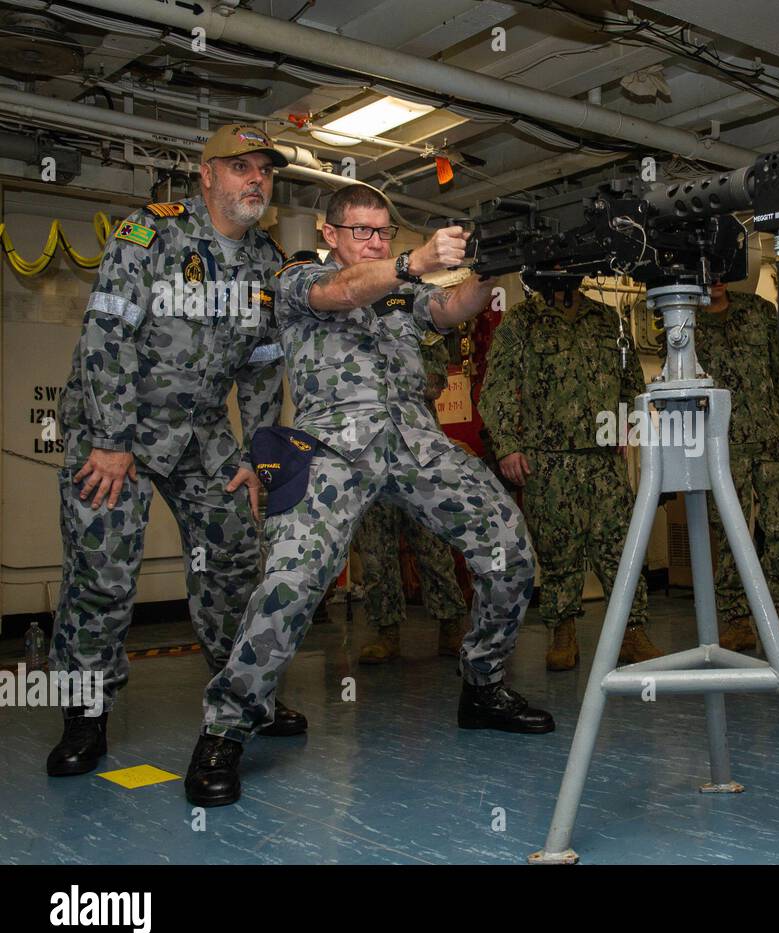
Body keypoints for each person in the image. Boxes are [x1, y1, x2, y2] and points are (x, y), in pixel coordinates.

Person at [185, 184, 551, 807]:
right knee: (292, 582)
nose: (376, 242)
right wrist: (410, 260)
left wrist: (491, 265)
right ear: (330, 235)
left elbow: (454, 307)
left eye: (384, 232)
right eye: (363, 232)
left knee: (508, 546)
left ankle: (483, 685)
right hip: (331, 442)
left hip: (412, 436)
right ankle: (226, 726)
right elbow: (343, 291)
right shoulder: (299, 275)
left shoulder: (403, 292)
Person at [46, 124, 307, 779]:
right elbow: (107, 334)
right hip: (118, 422)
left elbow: (262, 365)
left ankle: (246, 695)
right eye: (241, 167)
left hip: (201, 431)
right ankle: (85, 715)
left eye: (265, 171)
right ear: (208, 175)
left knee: (233, 560)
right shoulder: (149, 234)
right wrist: (108, 442)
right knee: (102, 574)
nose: (256, 180)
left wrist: (254, 454)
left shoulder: (264, 263)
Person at [479, 273, 663, 671]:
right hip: (548, 459)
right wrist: (508, 444)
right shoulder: (521, 322)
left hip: (603, 458)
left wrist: (628, 420)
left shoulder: (608, 318)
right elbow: (496, 387)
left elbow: (631, 378)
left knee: (620, 547)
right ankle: (562, 632)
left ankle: (631, 632)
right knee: (558, 552)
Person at [692, 281, 779, 652]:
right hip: (720, 442)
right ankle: (738, 619)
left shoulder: (759, 311)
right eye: (706, 273)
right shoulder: (684, 321)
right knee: (730, 534)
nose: (714, 281)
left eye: (720, 272)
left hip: (772, 434)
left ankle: (776, 609)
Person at [354, 328, 468, 664]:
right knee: (375, 553)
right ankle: (385, 632)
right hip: (370, 455)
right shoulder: (351, 329)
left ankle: (451, 625)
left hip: (418, 455)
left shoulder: (421, 330)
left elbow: (432, 384)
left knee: (433, 547)